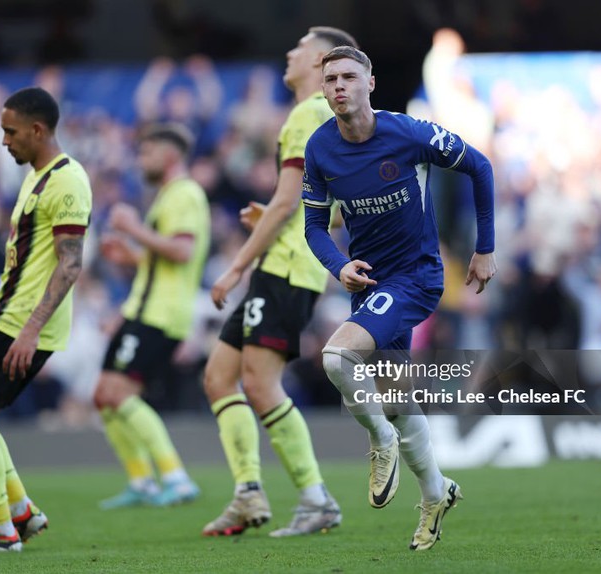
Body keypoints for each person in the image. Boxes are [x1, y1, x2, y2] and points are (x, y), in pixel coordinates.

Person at [302, 46, 497, 550]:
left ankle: (379, 441)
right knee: (396, 397)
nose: (338, 86)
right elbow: (314, 225)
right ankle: (436, 492)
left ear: (370, 83)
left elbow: (479, 166)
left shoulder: (409, 133)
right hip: (368, 282)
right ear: (322, 90)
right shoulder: (320, 148)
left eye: (349, 76)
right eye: (330, 80)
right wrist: (337, 264)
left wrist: (484, 249)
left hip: (415, 277)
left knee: (337, 356)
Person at [201, 26, 358, 538]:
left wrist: (236, 264)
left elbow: (291, 201)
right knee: (219, 378)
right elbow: (327, 210)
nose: (288, 55)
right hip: (292, 264)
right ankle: (248, 493)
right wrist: (271, 213)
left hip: (285, 268)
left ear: (316, 61)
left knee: (258, 383)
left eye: (298, 49)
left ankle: (316, 499)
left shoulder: (305, 114)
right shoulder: (326, 119)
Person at [0, 87, 92, 553]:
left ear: (37, 130)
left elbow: (69, 264)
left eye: (9, 131)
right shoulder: (36, 176)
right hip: (5, 317)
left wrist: (28, 330)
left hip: (24, 325)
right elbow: (24, 261)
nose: (3, 140)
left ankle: (2, 532)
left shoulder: (67, 181)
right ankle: (21, 512)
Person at [94, 123, 209, 509]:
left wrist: (133, 229)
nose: (140, 160)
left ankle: (175, 477)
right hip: (143, 308)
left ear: (169, 155)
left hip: (160, 314)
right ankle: (142, 481)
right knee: (104, 396)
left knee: (118, 393)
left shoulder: (184, 194)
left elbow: (182, 252)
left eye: (147, 152)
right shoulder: (167, 197)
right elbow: (166, 259)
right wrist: (133, 257)